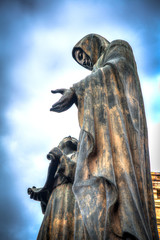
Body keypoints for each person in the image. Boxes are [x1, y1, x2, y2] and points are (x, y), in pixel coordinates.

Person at [50, 34, 159, 239]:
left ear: (93, 43)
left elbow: (118, 69)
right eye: (80, 61)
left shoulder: (118, 47)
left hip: (122, 133)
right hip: (105, 137)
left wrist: (76, 90)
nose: (85, 61)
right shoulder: (96, 73)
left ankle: (127, 227)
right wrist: (79, 93)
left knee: (124, 184)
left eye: (84, 54)